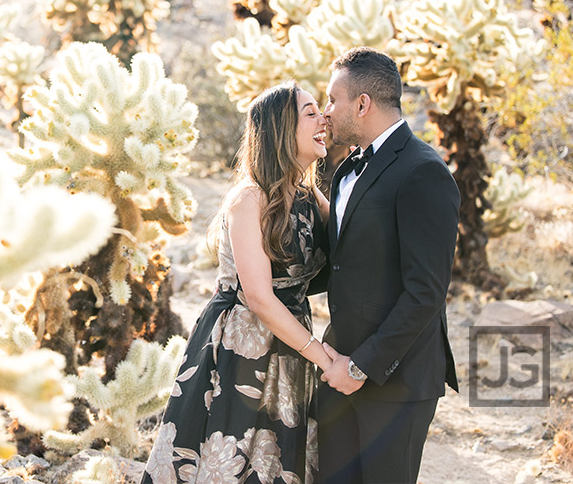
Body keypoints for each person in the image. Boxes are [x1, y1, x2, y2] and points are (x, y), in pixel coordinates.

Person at [141, 81, 332, 484]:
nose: (324, 118)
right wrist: (324, 357)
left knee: (276, 462)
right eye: (311, 112)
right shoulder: (250, 198)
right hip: (241, 343)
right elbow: (260, 298)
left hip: (290, 340)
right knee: (229, 458)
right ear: (282, 129)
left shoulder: (310, 196)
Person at [314, 47, 460, 484]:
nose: (326, 112)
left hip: (396, 380)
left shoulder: (423, 172)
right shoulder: (345, 171)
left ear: (362, 104)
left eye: (332, 99)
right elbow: (340, 265)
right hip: (338, 369)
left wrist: (361, 367)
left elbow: (426, 293)